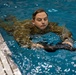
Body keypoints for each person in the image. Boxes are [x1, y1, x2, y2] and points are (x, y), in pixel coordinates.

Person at [0, 9, 75, 52]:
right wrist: (36, 45)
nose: (43, 22)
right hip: (14, 27)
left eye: (45, 19)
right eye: (39, 20)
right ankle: (11, 18)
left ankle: (12, 18)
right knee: (4, 26)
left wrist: (68, 40)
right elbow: (21, 40)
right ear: (33, 21)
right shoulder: (25, 27)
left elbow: (63, 30)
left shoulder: (50, 26)